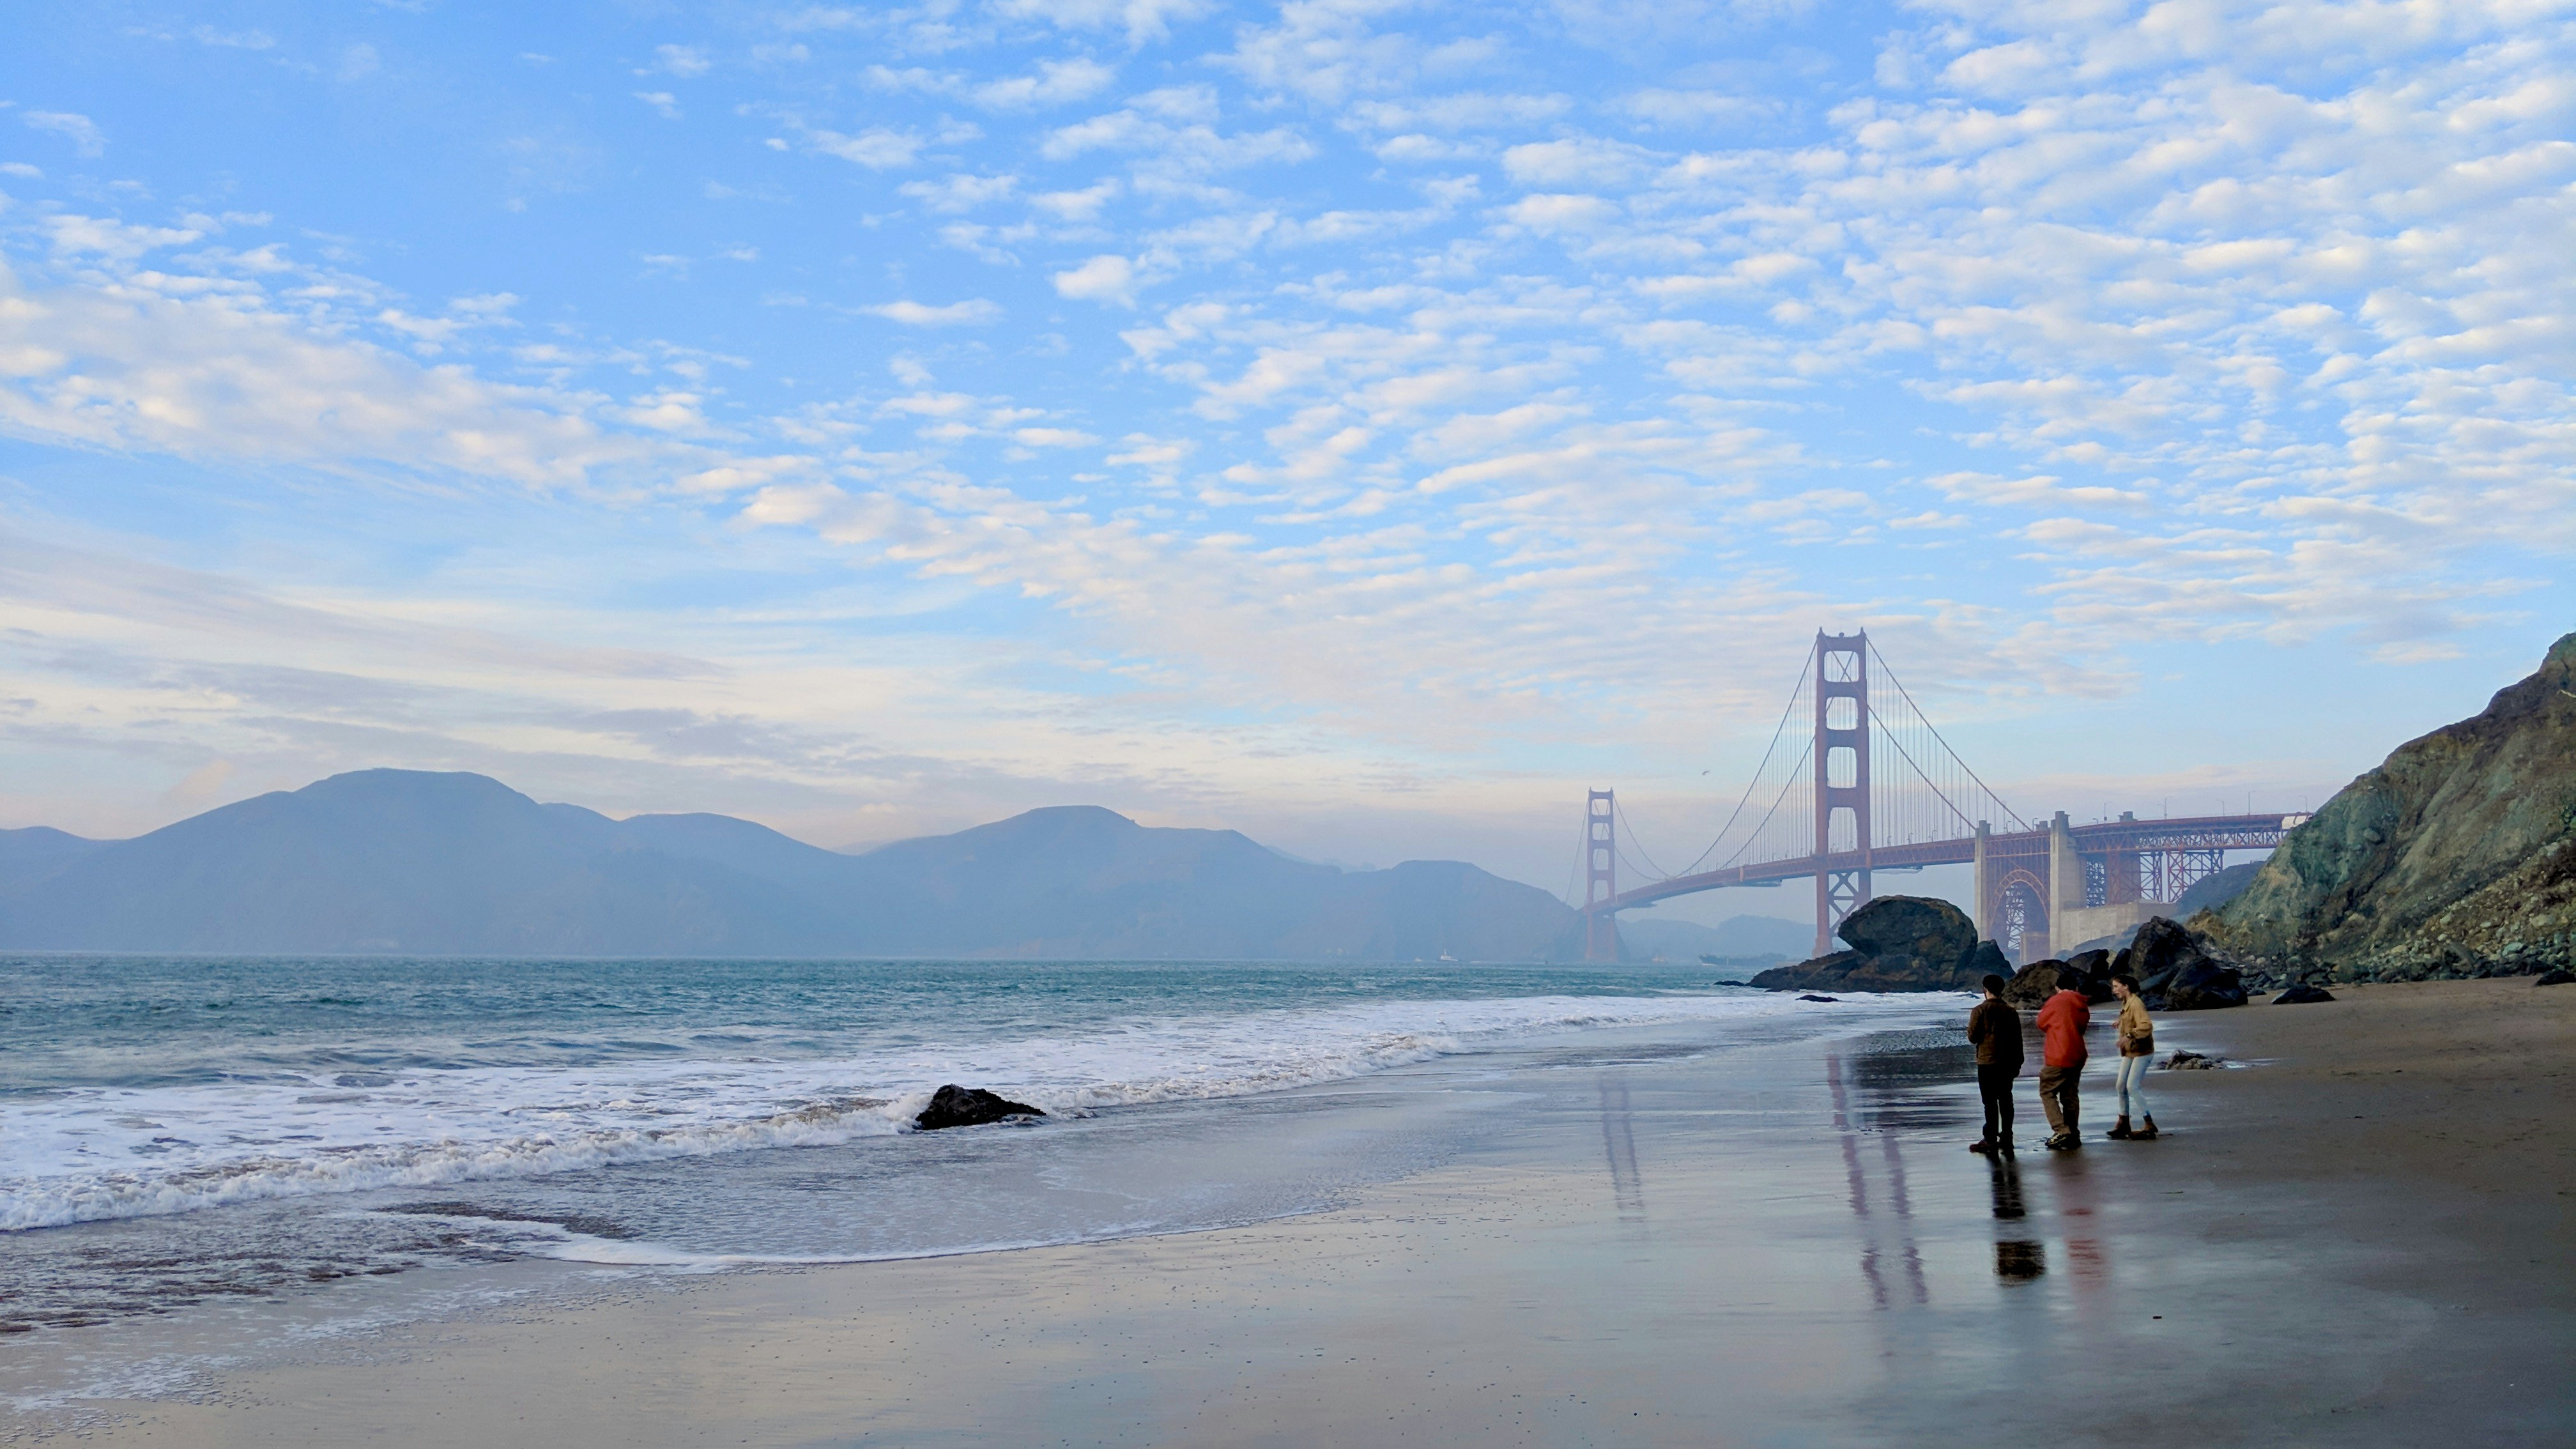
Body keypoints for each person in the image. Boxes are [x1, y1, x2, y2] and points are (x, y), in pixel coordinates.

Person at [1965, 973, 2023, 1154]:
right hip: (2007, 1062)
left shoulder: (1980, 1010)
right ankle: (2007, 1137)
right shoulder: (2011, 1012)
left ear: (1985, 990)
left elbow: (1973, 1037)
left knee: (1989, 1102)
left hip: (1987, 1062)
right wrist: (2018, 1063)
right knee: (2006, 1101)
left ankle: (1990, 1139)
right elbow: (2017, 1041)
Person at [2034, 977, 2091, 1150]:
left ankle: (2061, 1130)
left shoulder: (2055, 1001)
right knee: (2070, 1094)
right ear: (2075, 986)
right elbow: (2082, 1026)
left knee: (2047, 1091)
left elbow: (2041, 1023)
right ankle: (2073, 1132)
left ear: (2057, 987)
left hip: (2058, 1054)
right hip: (2077, 1053)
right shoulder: (2081, 1003)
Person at [2108, 972, 2159, 1140]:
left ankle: (2149, 1123)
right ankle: (2124, 1123)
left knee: (2132, 1086)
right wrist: (2120, 1022)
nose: (2114, 990)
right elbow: (2130, 1019)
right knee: (2120, 1085)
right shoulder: (2127, 1002)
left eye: (2116, 986)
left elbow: (2146, 1026)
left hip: (2142, 1052)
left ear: (2126, 987)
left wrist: (2128, 1035)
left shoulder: (2136, 1004)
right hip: (2130, 1051)